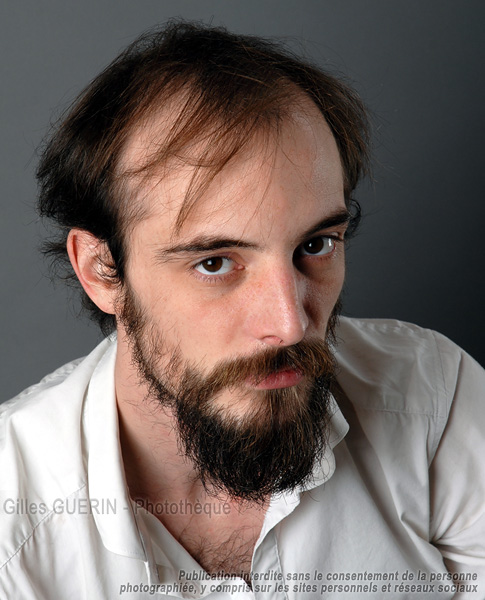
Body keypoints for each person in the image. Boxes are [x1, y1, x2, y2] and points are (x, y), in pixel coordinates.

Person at [1, 20, 484, 600]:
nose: (290, 323)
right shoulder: (13, 532)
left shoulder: (433, 396)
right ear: (103, 271)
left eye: (316, 245)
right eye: (215, 263)